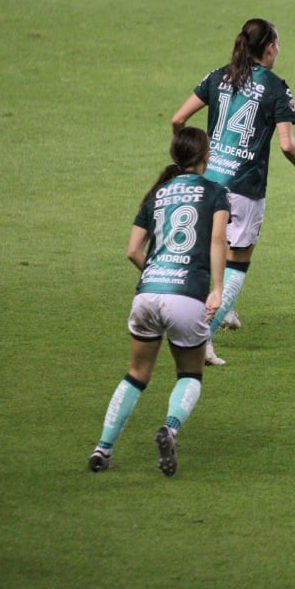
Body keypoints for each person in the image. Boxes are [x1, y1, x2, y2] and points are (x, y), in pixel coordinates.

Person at [88, 127, 230, 476]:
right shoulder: (215, 192)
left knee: (136, 374)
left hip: (147, 293)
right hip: (187, 296)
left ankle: (102, 449)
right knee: (190, 373)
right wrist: (216, 288)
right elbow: (217, 241)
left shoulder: (157, 193)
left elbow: (132, 250)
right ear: (205, 156)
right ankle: (170, 428)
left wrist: (156, 275)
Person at [171, 18, 295, 365]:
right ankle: (203, 338)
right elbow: (286, 145)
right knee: (237, 264)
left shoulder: (219, 76)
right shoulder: (276, 88)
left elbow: (177, 120)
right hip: (244, 188)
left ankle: (224, 310)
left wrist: (192, 158)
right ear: (270, 48)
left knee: (210, 251)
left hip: (208, 180)